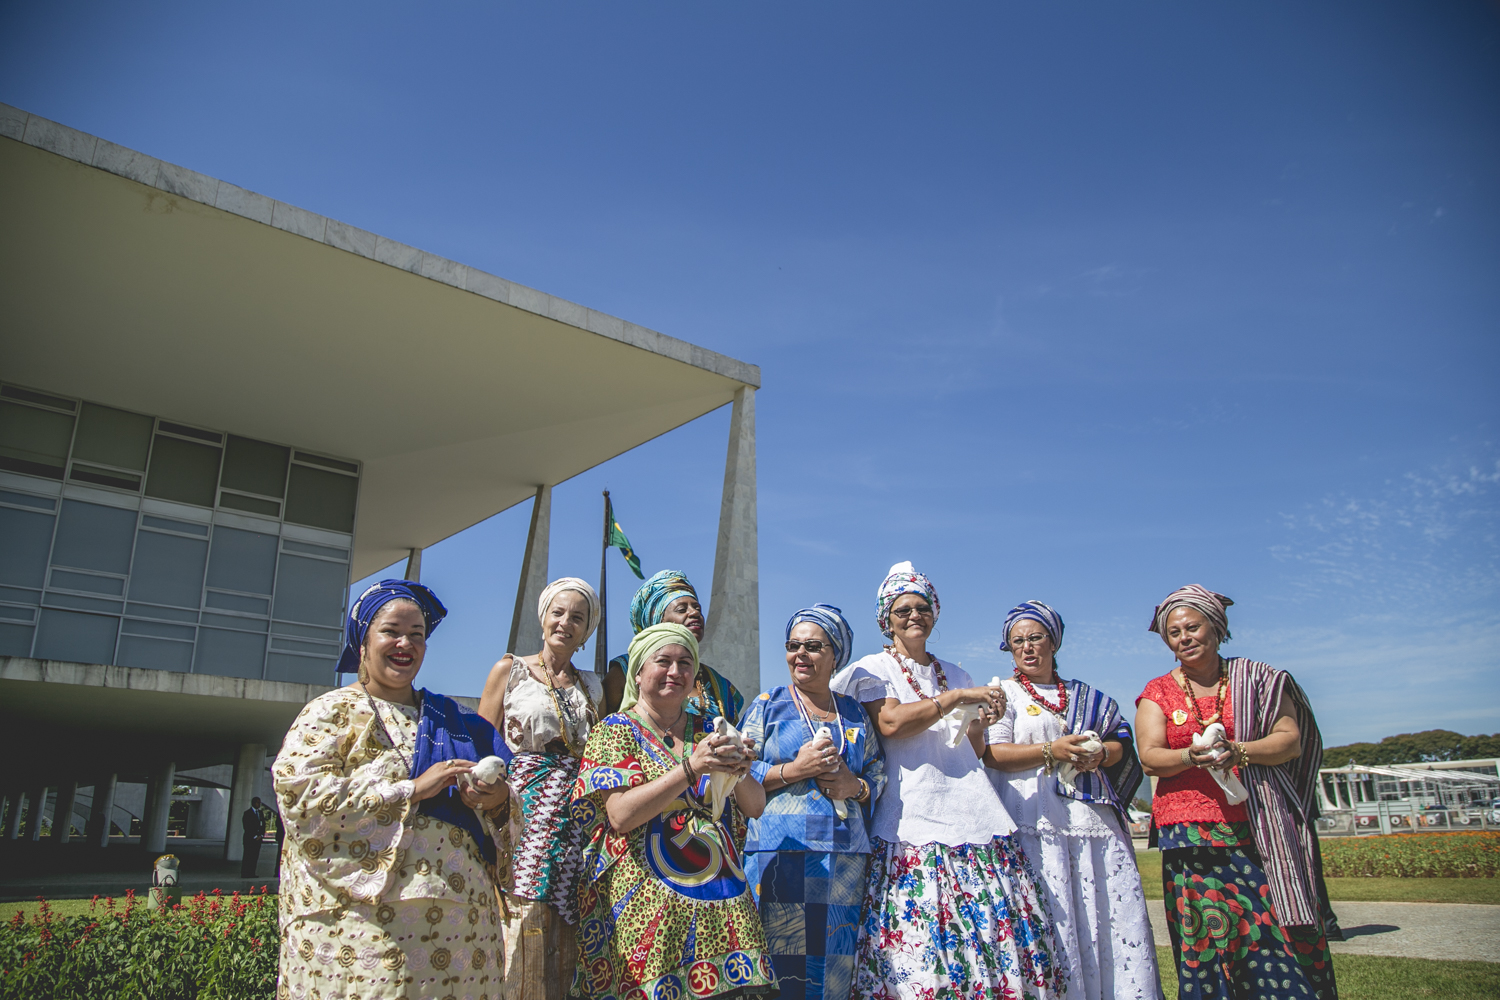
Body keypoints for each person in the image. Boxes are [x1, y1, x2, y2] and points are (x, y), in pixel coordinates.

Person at [273, 580, 518, 999]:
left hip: (462, 938)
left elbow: (508, 817)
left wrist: (497, 801)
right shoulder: (331, 711)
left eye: (417, 635)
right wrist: (411, 789)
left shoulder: (457, 721)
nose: (405, 643)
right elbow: (301, 797)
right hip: (360, 934)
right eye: (391, 631)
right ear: (363, 642)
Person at [831, 562, 1065, 1000]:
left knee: (992, 932)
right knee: (917, 936)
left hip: (972, 810)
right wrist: (957, 699)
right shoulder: (872, 668)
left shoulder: (956, 672)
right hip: (910, 816)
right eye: (902, 610)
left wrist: (982, 719)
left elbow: (973, 748)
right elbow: (893, 722)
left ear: (935, 614)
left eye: (922, 607)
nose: (914, 616)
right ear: (886, 620)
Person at [1135, 584, 1337, 1000]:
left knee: (1275, 934)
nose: (1184, 637)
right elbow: (1151, 757)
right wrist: (1193, 756)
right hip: (1190, 836)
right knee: (1207, 944)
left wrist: (1240, 753)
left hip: (1259, 829)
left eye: (1193, 627)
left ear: (1217, 628)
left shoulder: (1258, 680)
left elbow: (1290, 740)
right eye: (1174, 633)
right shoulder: (1158, 691)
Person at [570, 623, 775, 999]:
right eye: (663, 661)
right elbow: (621, 815)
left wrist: (738, 765)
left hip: (724, 907)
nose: (675, 672)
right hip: (647, 911)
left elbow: (755, 805)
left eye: (685, 663)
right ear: (638, 671)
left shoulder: (709, 729)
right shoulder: (615, 731)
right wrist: (690, 768)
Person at [982, 600, 1162, 1000]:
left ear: (1054, 642)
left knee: (1104, 914)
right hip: (1032, 819)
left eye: (1036, 638)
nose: (1027, 648)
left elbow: (1122, 744)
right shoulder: (1003, 695)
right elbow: (993, 754)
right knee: (1052, 914)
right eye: (1017, 642)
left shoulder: (1088, 696)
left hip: (1091, 822)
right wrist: (1053, 750)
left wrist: (1101, 755)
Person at [739, 604, 886, 1000]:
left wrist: (853, 786)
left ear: (835, 655)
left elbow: (878, 774)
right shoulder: (766, 705)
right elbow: (736, 772)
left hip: (843, 863)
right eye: (793, 645)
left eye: (813, 646)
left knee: (832, 973)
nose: (800, 654)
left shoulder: (854, 713)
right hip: (780, 857)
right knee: (776, 974)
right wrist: (795, 769)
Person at [478, 577, 605, 1000]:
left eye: (578, 617)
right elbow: (483, 743)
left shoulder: (593, 686)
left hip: (575, 818)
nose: (566, 623)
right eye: (559, 612)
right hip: (521, 811)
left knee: (567, 923)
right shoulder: (510, 669)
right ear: (543, 616)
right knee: (521, 917)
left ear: (587, 632)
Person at [602, 569, 744, 731]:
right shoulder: (625, 670)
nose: (694, 613)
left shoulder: (718, 683)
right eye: (682, 609)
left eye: (697, 607)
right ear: (657, 621)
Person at [240, 796, 266, 878]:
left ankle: (252, 872)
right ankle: (245, 873)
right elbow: (247, 826)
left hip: (258, 840)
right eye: (258, 802)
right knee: (248, 856)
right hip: (249, 839)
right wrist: (254, 836)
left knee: (255, 857)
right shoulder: (247, 813)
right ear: (253, 803)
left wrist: (261, 835)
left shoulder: (260, 813)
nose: (259, 804)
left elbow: (263, 825)